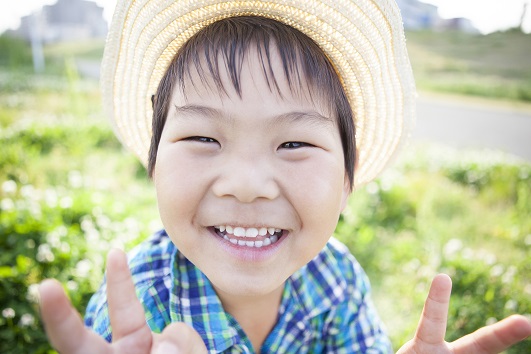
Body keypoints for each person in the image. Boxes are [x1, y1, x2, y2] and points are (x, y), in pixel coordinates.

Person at [38, 0, 531, 353]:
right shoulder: (136, 319)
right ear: (154, 163)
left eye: (294, 143)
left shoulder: (335, 281)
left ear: (346, 181)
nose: (247, 184)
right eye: (203, 139)